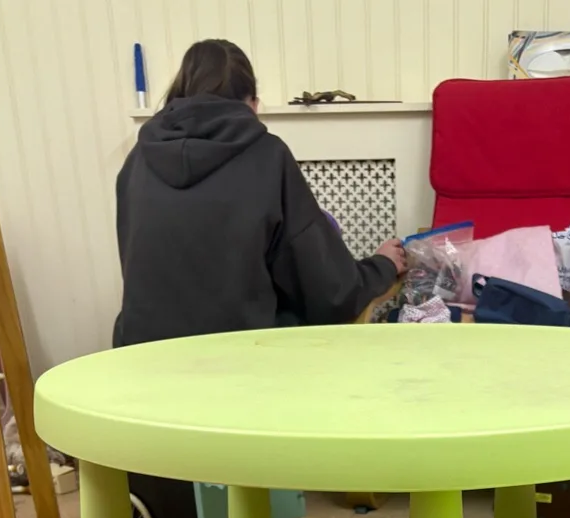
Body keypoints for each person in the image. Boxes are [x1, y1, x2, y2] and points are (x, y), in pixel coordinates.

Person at [113, 39, 406, 347]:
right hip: (237, 364)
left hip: (142, 360)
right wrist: (382, 265)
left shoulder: (137, 160)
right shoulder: (268, 155)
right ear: (252, 103)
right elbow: (331, 294)